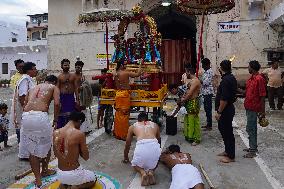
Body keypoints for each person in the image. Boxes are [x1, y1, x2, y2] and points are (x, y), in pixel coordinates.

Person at [20, 75, 60, 187]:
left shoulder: (32, 88)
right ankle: (45, 170)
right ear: (54, 82)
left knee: (32, 150)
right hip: (40, 116)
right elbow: (57, 103)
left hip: (26, 116)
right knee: (47, 145)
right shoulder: (53, 87)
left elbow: (24, 105)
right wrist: (56, 119)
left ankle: (38, 179)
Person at [53, 112, 96, 189]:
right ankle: (76, 187)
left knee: (68, 179)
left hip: (60, 174)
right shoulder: (79, 134)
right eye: (81, 124)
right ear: (79, 121)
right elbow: (86, 157)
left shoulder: (56, 132)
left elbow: (56, 154)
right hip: (74, 174)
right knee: (93, 178)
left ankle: (64, 185)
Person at [123, 112, 161, 186]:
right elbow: (159, 140)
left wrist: (126, 157)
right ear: (148, 119)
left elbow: (128, 143)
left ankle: (142, 172)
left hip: (141, 147)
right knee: (156, 162)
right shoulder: (155, 125)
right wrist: (158, 154)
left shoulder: (133, 126)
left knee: (134, 164)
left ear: (138, 120)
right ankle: (151, 171)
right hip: (154, 146)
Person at [10, 62, 37, 159]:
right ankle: (25, 154)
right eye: (34, 69)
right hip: (26, 110)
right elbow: (22, 97)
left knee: (27, 132)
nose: (36, 70)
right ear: (28, 70)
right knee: (26, 132)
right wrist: (27, 110)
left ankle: (27, 153)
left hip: (29, 109)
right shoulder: (25, 80)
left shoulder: (29, 79)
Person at [113, 60, 143, 140]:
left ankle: (118, 134)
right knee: (125, 116)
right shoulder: (125, 73)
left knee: (118, 115)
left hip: (118, 94)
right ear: (121, 65)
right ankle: (124, 135)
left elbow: (116, 85)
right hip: (124, 95)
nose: (126, 66)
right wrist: (140, 64)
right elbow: (138, 74)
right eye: (124, 64)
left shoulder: (115, 73)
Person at [215, 60, 237, 163]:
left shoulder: (226, 80)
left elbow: (224, 99)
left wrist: (219, 112)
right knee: (223, 130)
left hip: (226, 110)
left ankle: (231, 156)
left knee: (227, 132)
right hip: (227, 109)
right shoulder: (230, 77)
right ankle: (227, 151)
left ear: (221, 68)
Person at [243, 60, 266, 158]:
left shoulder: (259, 79)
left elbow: (262, 96)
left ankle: (252, 150)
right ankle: (253, 146)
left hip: (254, 107)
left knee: (251, 128)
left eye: (248, 67)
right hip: (249, 106)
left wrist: (262, 111)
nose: (248, 68)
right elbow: (247, 92)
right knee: (250, 128)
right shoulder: (251, 79)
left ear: (252, 68)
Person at [180, 67, 201, 146]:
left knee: (194, 120)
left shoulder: (195, 81)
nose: (185, 74)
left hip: (193, 102)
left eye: (186, 72)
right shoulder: (192, 81)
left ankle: (196, 138)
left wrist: (183, 100)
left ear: (189, 72)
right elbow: (187, 91)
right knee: (188, 119)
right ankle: (190, 136)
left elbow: (190, 93)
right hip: (188, 102)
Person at [57, 59, 78, 129]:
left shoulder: (73, 76)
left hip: (71, 97)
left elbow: (76, 88)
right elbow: (57, 89)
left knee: (71, 114)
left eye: (68, 65)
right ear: (61, 66)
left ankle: (71, 129)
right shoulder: (59, 77)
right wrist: (58, 100)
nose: (67, 66)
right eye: (65, 65)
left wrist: (77, 99)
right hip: (62, 98)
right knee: (61, 114)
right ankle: (61, 130)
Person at [74, 60, 93, 134]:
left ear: (82, 67)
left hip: (82, 96)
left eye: (79, 67)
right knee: (78, 112)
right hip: (75, 95)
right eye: (76, 67)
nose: (77, 68)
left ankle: (86, 129)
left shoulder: (82, 76)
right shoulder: (73, 76)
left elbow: (84, 84)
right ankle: (80, 129)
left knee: (84, 112)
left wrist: (84, 87)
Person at [200, 58, 214, 131]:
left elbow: (206, 83)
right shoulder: (206, 72)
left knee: (208, 109)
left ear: (207, 64)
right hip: (205, 92)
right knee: (206, 109)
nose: (202, 66)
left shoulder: (209, 72)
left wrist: (199, 80)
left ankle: (209, 125)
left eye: (203, 65)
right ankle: (208, 124)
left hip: (208, 93)